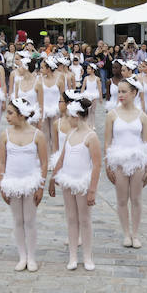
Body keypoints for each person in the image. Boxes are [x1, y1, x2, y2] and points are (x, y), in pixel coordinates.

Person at [50, 98, 101, 271]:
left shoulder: (91, 136)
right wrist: (53, 177)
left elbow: (97, 164)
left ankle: (87, 256)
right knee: (71, 218)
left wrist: (92, 190)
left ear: (77, 116)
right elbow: (62, 157)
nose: (68, 119)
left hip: (82, 183)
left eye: (70, 116)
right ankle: (72, 256)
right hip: (68, 181)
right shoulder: (70, 134)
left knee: (85, 220)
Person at [0, 98, 48, 272]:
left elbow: (43, 162)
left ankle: (32, 257)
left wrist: (41, 186)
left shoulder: (37, 135)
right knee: (18, 220)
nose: (7, 116)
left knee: (30, 220)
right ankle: (22, 256)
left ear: (21, 114)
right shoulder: (5, 134)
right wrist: (2, 184)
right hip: (12, 182)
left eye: (11, 113)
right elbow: (1, 162)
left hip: (30, 182)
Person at [105, 77, 147, 249]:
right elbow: (107, 142)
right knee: (122, 199)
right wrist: (107, 164)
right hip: (118, 161)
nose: (121, 95)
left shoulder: (142, 116)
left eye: (124, 92)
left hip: (137, 160)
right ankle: (126, 232)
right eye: (119, 91)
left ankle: (135, 233)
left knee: (136, 198)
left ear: (134, 93)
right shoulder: (112, 115)